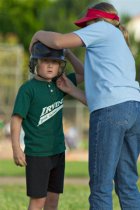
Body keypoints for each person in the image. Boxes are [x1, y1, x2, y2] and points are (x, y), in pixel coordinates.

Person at [29, 2, 140, 210]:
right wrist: (72, 89)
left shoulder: (102, 28)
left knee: (101, 186)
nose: (85, 31)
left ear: (95, 20)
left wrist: (38, 33)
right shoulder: (121, 46)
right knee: (127, 185)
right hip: (134, 110)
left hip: (112, 113)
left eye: (85, 26)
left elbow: (58, 40)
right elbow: (102, 100)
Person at [10, 41, 84, 210]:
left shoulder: (61, 84)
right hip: (37, 154)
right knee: (37, 202)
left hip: (58, 152)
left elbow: (83, 73)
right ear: (35, 63)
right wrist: (16, 148)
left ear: (60, 65)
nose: (51, 66)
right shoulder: (28, 89)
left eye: (56, 62)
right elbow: (16, 119)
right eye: (45, 61)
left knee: (53, 201)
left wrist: (69, 54)